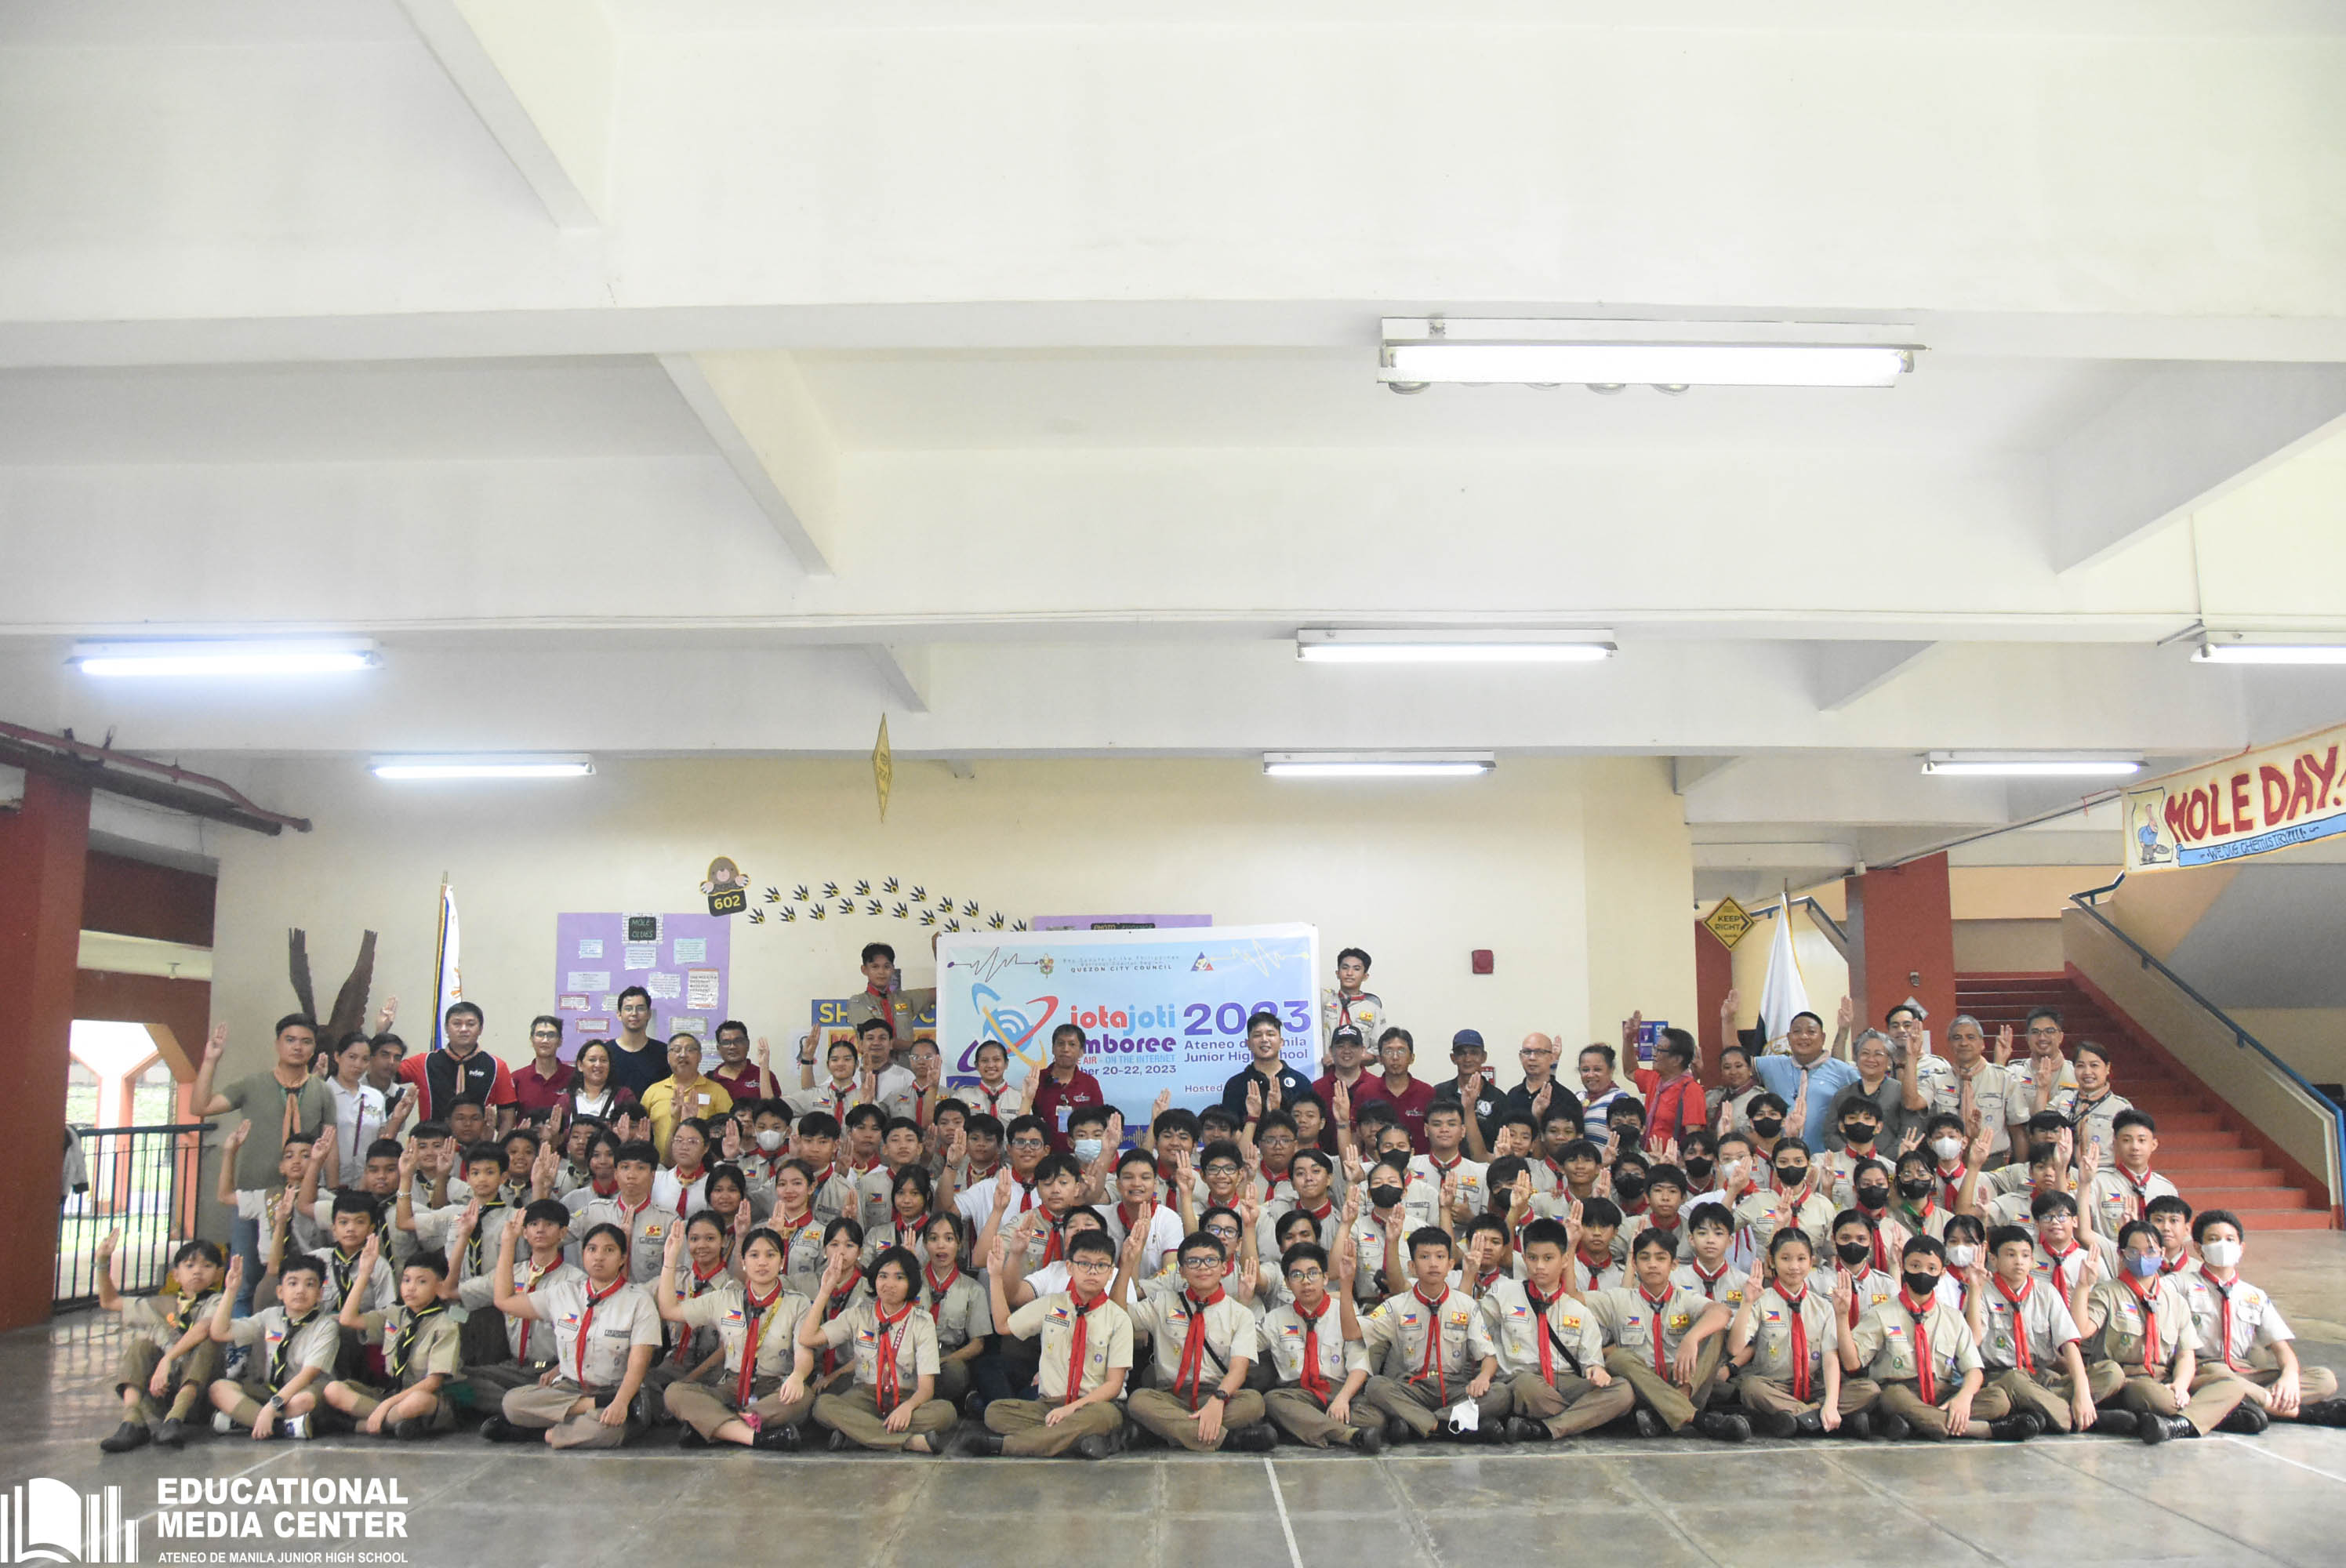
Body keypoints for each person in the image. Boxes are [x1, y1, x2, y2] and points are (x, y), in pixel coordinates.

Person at [192, 1016, 336, 1315]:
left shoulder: (322, 1090)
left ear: (313, 1048)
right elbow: (201, 1107)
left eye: (306, 1041)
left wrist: (332, 1188)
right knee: (245, 1279)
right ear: (277, 1044)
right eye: (290, 1040)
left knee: (300, 1277)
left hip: (302, 1200)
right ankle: (239, 1350)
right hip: (255, 1195)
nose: (298, 1047)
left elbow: (330, 1144)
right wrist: (210, 1061)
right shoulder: (252, 1084)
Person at [480, 1219, 659, 1447]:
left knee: (606, 1432)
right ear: (583, 1254)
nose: (599, 1257)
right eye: (592, 1249)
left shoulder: (639, 1301)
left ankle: (538, 1433)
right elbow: (504, 1301)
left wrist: (621, 1402)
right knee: (512, 1403)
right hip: (568, 1389)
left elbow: (638, 1365)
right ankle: (589, 1407)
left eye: (609, 1250)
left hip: (618, 1390)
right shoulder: (564, 1292)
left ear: (623, 1258)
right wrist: (508, 1244)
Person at [2072, 1218, 2248, 1443]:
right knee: (2158, 1398)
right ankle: (2212, 1415)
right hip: (2129, 1380)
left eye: (2151, 1251)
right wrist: (2083, 1287)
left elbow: (2186, 1355)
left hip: (2165, 1377)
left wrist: (2182, 1385)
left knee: (2231, 1384)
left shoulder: (2174, 1301)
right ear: (2121, 1253)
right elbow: (2081, 1329)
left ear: (2162, 1252)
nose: (2143, 1257)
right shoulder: (2108, 1292)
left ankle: (2177, 1423)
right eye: (2134, 1252)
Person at [966, 1229, 1134, 1458]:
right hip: (1049, 1405)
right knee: (996, 1413)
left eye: (1102, 1265)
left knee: (1104, 1417)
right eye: (1084, 1264)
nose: (1093, 1271)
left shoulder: (1119, 1318)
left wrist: (1071, 1409)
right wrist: (995, 1278)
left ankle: (1006, 1446)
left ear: (1111, 1271)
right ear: (1069, 1267)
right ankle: (1082, 1441)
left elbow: (1114, 1385)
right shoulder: (1052, 1304)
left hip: (1094, 1406)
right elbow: (1004, 1326)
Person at [2177, 1209, 2346, 1427]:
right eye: (2213, 1239)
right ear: (2198, 1247)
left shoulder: (2254, 1295)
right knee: (2227, 1381)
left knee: (2324, 1379)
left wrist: (2289, 1376)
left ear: (2241, 1248)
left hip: (2247, 1371)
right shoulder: (2180, 1284)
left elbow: (2282, 1348)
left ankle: (2242, 1406)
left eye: (2230, 1240)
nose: (2223, 1245)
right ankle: (2301, 1412)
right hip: (2207, 1370)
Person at [1113, 1226, 1276, 1452]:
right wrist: (1126, 1266)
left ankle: (1165, 1431)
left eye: (1211, 1260)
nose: (1202, 1268)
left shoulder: (1240, 1314)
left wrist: (1218, 1401)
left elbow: (1239, 1369)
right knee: (1139, 1401)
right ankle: (1227, 1440)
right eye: (1193, 1262)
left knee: (1253, 1404)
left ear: (1224, 1267)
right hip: (1171, 1396)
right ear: (1181, 1271)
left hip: (1217, 1393)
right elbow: (1117, 1317)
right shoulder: (1163, 1303)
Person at [654, 1223, 814, 1450]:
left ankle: (716, 1425)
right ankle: (755, 1436)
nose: (762, 1262)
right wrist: (669, 1262)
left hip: (774, 1389)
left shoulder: (798, 1304)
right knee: (674, 1393)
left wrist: (798, 1376)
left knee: (804, 1397)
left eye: (770, 1255)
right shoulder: (724, 1299)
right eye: (754, 1255)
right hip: (730, 1386)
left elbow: (804, 1351)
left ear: (781, 1262)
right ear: (743, 1262)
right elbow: (669, 1310)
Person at [1585, 1225, 1745, 1441]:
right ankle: (1696, 1419)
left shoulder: (1685, 1298)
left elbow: (1722, 1312)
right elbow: (1573, 1298)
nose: (1652, 1265)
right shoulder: (1619, 1299)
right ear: (1634, 1264)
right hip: (1644, 1390)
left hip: (1684, 1383)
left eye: (1660, 1258)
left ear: (1674, 1265)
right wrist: (1570, 1246)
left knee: (1714, 1333)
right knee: (1618, 1358)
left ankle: (1674, 1407)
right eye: (1645, 1258)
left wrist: (1692, 1337)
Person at [1356, 1227, 1509, 1443]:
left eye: (1440, 1257)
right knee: (1376, 1386)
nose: (1433, 1263)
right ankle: (1452, 1427)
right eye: (1424, 1257)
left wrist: (1483, 1377)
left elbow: (1489, 1357)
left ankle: (1422, 1424)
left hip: (1456, 1387)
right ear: (1412, 1266)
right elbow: (1353, 1332)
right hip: (1413, 1388)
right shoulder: (1398, 1305)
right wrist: (1345, 1285)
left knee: (1501, 1393)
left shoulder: (1465, 1304)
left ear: (1449, 1265)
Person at [804, 1245, 959, 1453]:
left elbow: (926, 1389)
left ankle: (856, 1433)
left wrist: (907, 1408)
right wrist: (825, 1291)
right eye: (883, 1276)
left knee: (946, 1413)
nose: (889, 1284)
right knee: (822, 1406)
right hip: (864, 1396)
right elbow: (808, 1338)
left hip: (906, 1397)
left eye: (899, 1278)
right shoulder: (858, 1314)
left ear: (911, 1283)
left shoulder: (922, 1322)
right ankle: (907, 1442)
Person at [1974, 1223, 2125, 1434]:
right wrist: (1973, 1290)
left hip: (2043, 1377)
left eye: (2025, 1255)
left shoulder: (2046, 1292)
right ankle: (2078, 1419)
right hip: (2002, 1377)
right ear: (1993, 1259)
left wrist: (2082, 1393)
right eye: (2010, 1255)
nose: (2019, 1262)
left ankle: (2045, 1411)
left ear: (2033, 1260)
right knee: (2015, 1380)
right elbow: (1974, 1339)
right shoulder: (1982, 1293)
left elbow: (2069, 1344)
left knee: (2112, 1372)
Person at [1727, 1226, 1873, 1435]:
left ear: (1812, 1261)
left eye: (1801, 1259)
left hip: (1815, 1387)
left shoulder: (1823, 1306)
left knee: (1869, 1390)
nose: (1794, 1266)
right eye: (1786, 1259)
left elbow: (1830, 1358)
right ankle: (1816, 1418)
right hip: (1775, 1386)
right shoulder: (1762, 1301)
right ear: (1772, 1261)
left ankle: (1802, 1417)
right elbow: (1734, 1347)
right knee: (1751, 1388)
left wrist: (1830, 1403)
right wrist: (1747, 1303)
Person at [93, 1232, 226, 1452]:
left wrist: (167, 1359)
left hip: (203, 1399)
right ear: (176, 1275)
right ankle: (132, 1421)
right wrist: (103, 1261)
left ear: (218, 1274)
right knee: (141, 1346)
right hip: (164, 1393)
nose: (197, 1271)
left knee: (207, 1343)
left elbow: (203, 1329)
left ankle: (176, 1418)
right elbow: (109, 1302)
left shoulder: (218, 1301)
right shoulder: (161, 1305)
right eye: (190, 1265)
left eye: (207, 1266)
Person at [322, 1236, 466, 1438]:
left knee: (416, 1402)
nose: (411, 1287)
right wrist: (364, 1274)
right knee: (333, 1390)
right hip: (391, 1394)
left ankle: (360, 1426)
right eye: (406, 1280)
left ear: (440, 1287)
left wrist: (385, 1406)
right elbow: (347, 1319)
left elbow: (432, 1383)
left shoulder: (446, 1324)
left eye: (422, 1281)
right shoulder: (394, 1314)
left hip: (429, 1398)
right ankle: (395, 1424)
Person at [204, 1253, 335, 1439]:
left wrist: (271, 1408)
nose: (300, 1290)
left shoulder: (326, 1326)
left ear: (320, 1294)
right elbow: (219, 1332)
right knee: (218, 1388)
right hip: (269, 1389)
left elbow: (307, 1376)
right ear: (280, 1292)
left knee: (303, 1401)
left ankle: (244, 1420)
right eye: (293, 1283)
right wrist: (231, 1291)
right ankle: (284, 1428)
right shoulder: (269, 1316)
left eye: (310, 1284)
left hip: (304, 1390)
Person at [396, 1001, 518, 1134]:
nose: (464, 1029)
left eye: (471, 1024)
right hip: (432, 1144)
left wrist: (498, 1150)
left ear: (481, 1029)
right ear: (446, 1028)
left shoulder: (496, 1066)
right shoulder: (424, 1062)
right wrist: (381, 1031)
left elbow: (507, 1117)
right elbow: (384, 1074)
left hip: (476, 1149)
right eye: (457, 1024)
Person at [1752, 1011, 1860, 1148]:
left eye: (1811, 1032)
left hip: (1826, 1156)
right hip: (1782, 1157)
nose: (1804, 1036)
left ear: (1823, 1038)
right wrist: (1728, 1020)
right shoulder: (1773, 1065)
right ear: (1789, 1037)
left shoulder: (1843, 1071)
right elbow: (1736, 1061)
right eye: (1797, 1032)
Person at [917, 1214, 993, 1409]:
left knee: (956, 1373)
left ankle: (923, 1405)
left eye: (949, 1239)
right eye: (933, 1239)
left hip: (947, 1359)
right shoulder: (911, 1283)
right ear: (925, 1244)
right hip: (910, 1354)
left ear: (960, 1244)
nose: (941, 1246)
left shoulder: (973, 1289)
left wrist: (943, 1361)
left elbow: (977, 1344)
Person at [1923, 1014, 2020, 1165]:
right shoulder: (1937, 1079)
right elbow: (1912, 1104)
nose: (1964, 1043)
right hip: (1949, 1162)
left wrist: (2021, 1168)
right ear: (1949, 1044)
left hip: (1993, 1162)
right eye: (1957, 1038)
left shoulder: (2004, 1078)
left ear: (1982, 1044)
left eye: (1970, 1037)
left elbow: (2017, 1129)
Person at [643, 1033, 734, 1160]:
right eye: (676, 1050)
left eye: (690, 1050)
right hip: (661, 1170)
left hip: (704, 1169)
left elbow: (730, 1130)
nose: (683, 1054)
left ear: (700, 1057)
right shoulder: (653, 1091)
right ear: (668, 1057)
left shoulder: (718, 1091)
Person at [1219, 1009, 1314, 1121]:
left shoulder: (1300, 1082)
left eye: (1270, 1034)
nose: (1264, 1040)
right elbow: (1232, 1130)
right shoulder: (1235, 1084)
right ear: (1248, 1044)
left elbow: (1306, 1128)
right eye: (1257, 1035)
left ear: (1281, 1042)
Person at [321, 1031, 392, 1180]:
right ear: (337, 1056)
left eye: (365, 1059)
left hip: (367, 1182)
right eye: (352, 1057)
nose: (358, 1065)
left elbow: (381, 1139)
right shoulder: (323, 1093)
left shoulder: (375, 1097)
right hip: (327, 1182)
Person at [2049, 1039, 2133, 1158]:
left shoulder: (2121, 1108)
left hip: (2102, 1171)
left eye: (2094, 1065)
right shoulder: (2062, 1098)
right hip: (2064, 1171)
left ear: (2107, 1068)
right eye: (2080, 1066)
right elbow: (2041, 1129)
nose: (2087, 1072)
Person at [1435, 1029, 1506, 1154]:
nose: (1468, 1059)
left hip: (1485, 1169)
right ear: (1453, 1058)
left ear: (1484, 1057)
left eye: (1474, 1053)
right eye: (1462, 1053)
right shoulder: (1439, 1093)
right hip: (1446, 1167)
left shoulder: (1498, 1098)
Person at [1637, 1028, 1708, 1152]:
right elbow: (1629, 1071)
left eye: (1660, 1050)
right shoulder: (1656, 1079)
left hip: (1671, 1162)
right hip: (1649, 1158)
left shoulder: (1691, 1090)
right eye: (1655, 1048)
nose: (1654, 1054)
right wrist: (1628, 1038)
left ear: (1677, 1060)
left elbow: (1693, 1137)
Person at [2009, 1006, 2077, 1121]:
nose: (2042, 1037)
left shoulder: (2076, 1073)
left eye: (2049, 1031)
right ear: (2027, 1038)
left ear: (2061, 1037)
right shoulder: (2015, 1073)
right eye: (2035, 1032)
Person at [1320, 947, 1384, 1065]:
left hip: (1357, 1075)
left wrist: (1348, 1058)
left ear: (1365, 976)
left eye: (1356, 969)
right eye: (1345, 968)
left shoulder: (1374, 1010)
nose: (1349, 973)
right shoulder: (1324, 999)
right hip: (1325, 1073)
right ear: (1337, 973)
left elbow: (1378, 1053)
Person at [606, 986, 670, 1101]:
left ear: (649, 1014)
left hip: (653, 1117)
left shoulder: (664, 1052)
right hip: (612, 1117)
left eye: (640, 1008)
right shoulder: (605, 1052)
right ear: (619, 1014)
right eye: (628, 1008)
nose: (634, 1014)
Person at [510, 1014, 576, 1121]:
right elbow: (508, 1121)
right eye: (540, 1035)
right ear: (532, 1040)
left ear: (560, 1041)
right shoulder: (517, 1078)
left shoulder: (574, 1076)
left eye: (551, 1035)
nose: (545, 1040)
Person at [565, 1040, 637, 1127]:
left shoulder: (624, 1096)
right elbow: (559, 1136)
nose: (598, 1065)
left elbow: (634, 1129)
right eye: (592, 1060)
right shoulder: (566, 1100)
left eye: (603, 1060)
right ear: (580, 1065)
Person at [706, 1019, 776, 1104]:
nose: (732, 1047)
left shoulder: (764, 1075)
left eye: (738, 1041)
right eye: (726, 1042)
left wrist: (764, 1066)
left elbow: (774, 1112)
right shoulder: (709, 1079)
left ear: (747, 1045)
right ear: (718, 1048)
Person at [1708, 1044, 1762, 1135]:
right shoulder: (1712, 1097)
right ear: (1721, 1071)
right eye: (1727, 1067)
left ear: (1750, 1069)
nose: (1733, 1072)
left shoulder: (1761, 1098)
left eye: (1738, 1066)